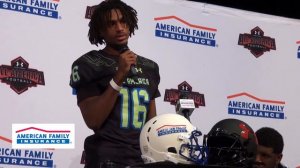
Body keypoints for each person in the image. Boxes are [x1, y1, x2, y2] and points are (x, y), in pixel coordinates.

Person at [69, 0, 160, 167]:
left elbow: (151, 125)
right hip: (106, 158)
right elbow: (93, 120)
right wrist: (119, 76)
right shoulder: (89, 63)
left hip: (141, 159)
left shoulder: (149, 67)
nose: (119, 28)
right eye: (112, 24)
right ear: (101, 30)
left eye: (123, 21)